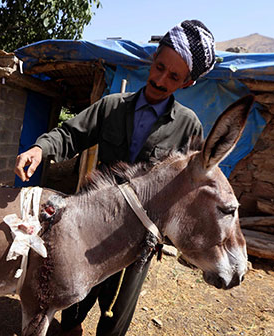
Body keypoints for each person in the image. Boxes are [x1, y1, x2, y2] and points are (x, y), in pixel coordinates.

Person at [14, 20, 216, 336]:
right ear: (153, 59)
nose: (161, 79)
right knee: (75, 288)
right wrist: (40, 149)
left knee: (117, 306)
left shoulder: (188, 127)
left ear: (187, 83)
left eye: (173, 76)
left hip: (140, 235)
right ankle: (71, 328)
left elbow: (191, 184)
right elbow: (69, 134)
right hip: (92, 223)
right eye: (160, 66)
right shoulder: (112, 106)